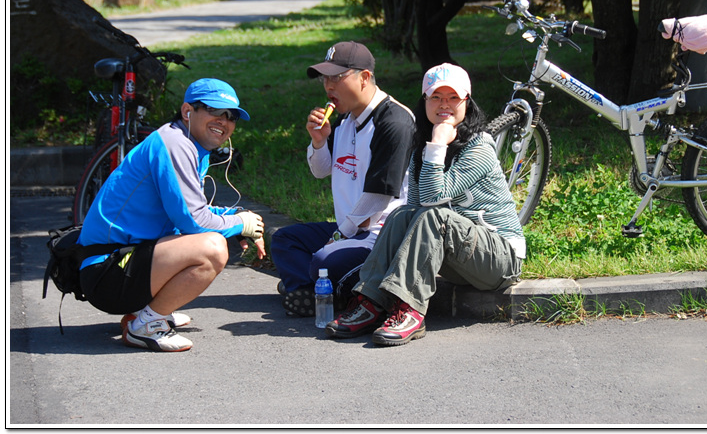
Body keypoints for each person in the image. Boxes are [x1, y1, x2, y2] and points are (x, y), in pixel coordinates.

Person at [325, 63, 526, 346]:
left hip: (500, 259)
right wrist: (432, 146)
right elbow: (417, 208)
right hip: (462, 258)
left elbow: (433, 202)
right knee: (403, 214)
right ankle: (371, 302)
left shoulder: (479, 148)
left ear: (466, 102)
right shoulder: (424, 147)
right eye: (436, 97)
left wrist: (438, 145)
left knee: (435, 217)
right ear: (425, 102)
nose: (445, 105)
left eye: (453, 98)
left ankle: (409, 310)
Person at [77, 78, 266, 352]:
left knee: (210, 238)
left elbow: (193, 210)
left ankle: (148, 311)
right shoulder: (174, 144)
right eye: (215, 111)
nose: (224, 122)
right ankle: (147, 324)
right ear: (188, 111)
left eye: (231, 116)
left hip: (123, 262)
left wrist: (240, 217)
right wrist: (238, 224)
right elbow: (193, 221)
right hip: (106, 273)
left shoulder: (186, 143)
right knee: (212, 248)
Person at [268, 41, 414, 317]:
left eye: (337, 77)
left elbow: (379, 197)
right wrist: (318, 141)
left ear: (365, 78)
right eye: (325, 78)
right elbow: (320, 170)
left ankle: (310, 287)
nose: (328, 86)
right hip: (350, 229)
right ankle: (314, 291)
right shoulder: (346, 120)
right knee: (285, 240)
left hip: (382, 236)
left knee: (324, 259)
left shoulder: (394, 121)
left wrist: (338, 236)